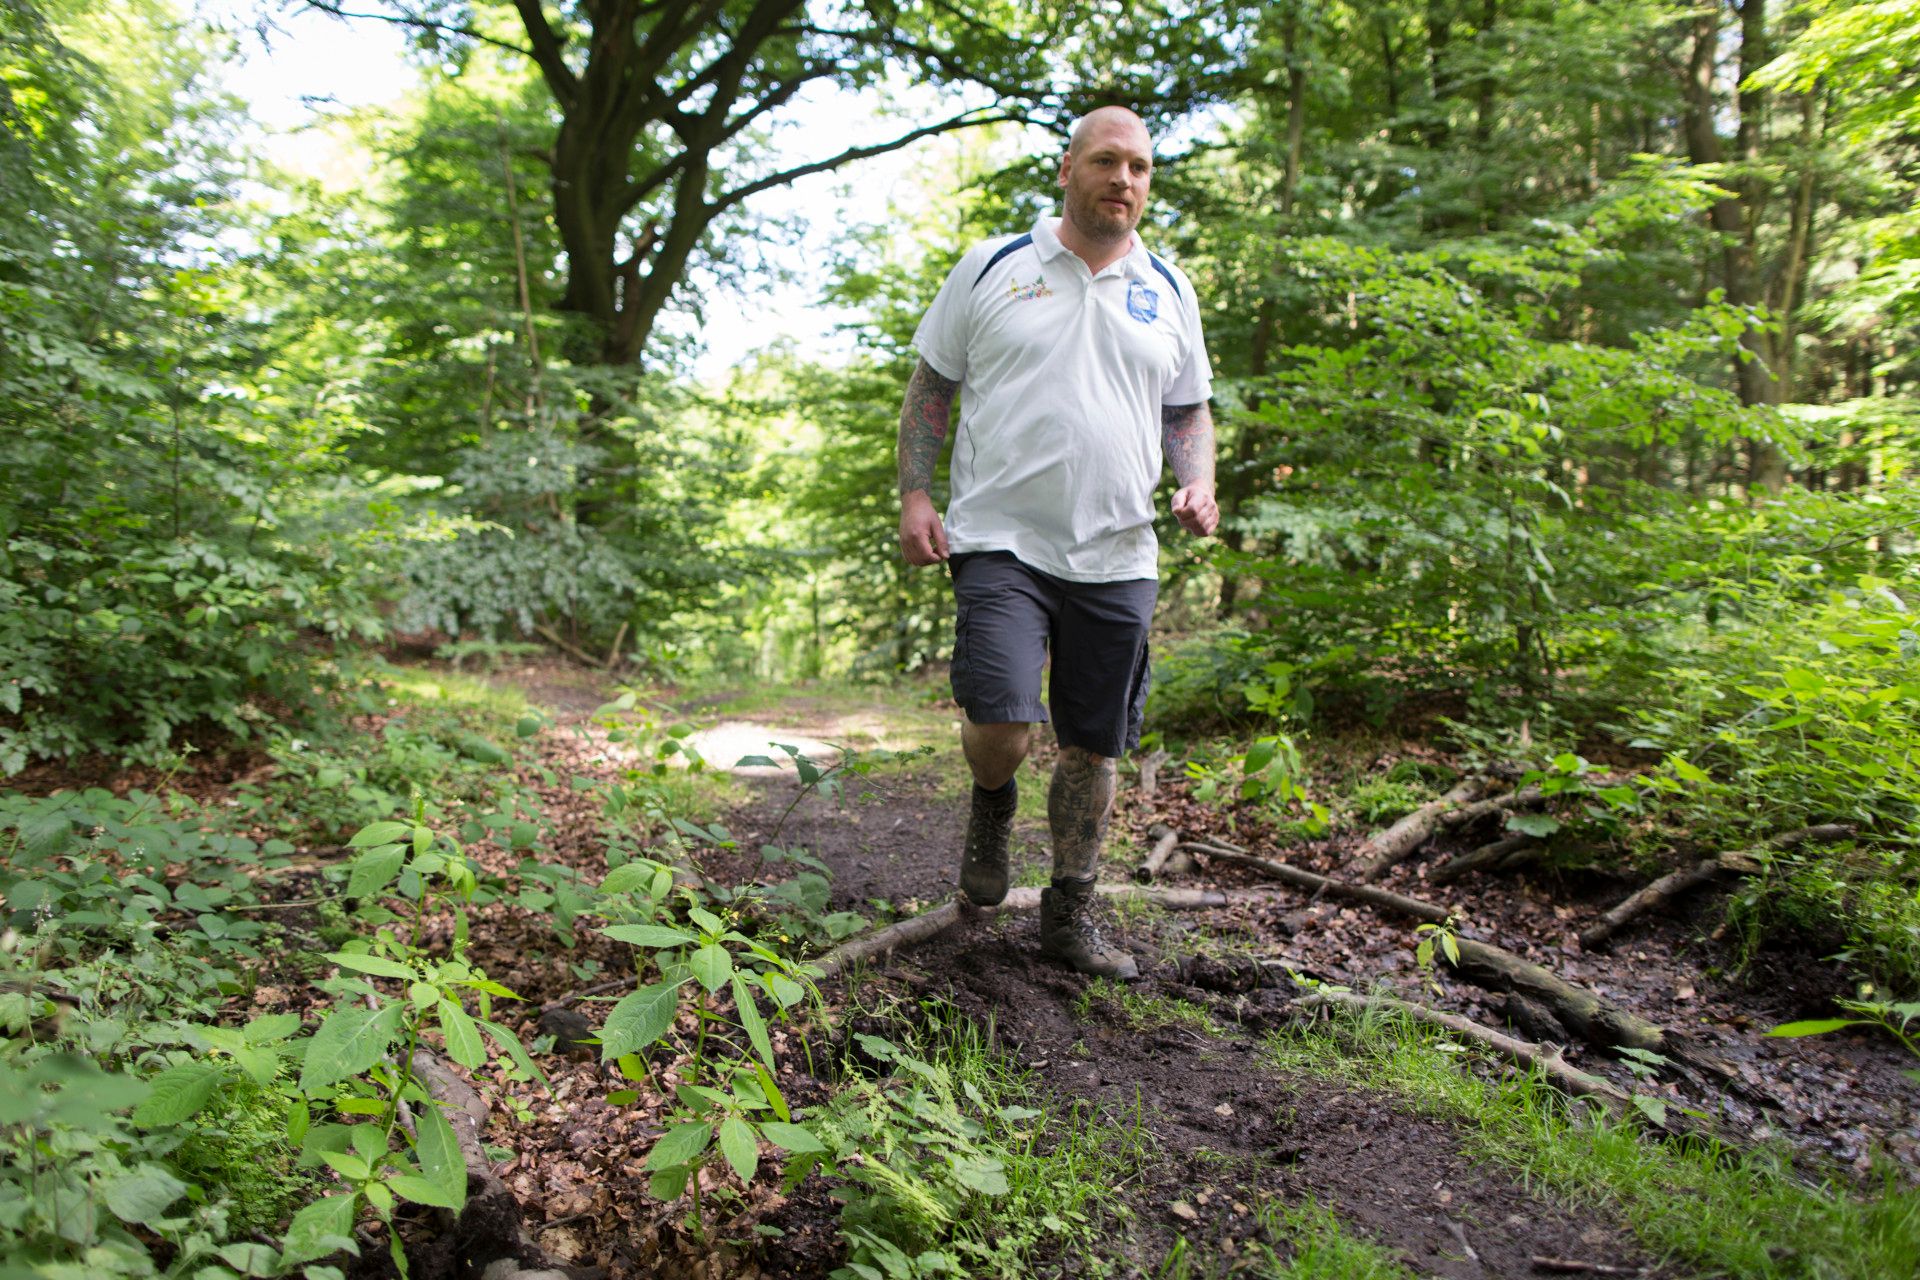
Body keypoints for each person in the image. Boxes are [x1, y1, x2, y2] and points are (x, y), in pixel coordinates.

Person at [895, 105, 1217, 980]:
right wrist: (917, 493)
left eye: (1141, 168)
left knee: (1093, 743)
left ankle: (1070, 912)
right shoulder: (993, 266)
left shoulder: (1170, 290)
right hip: (1001, 535)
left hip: (1120, 551)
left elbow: (1186, 409)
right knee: (1003, 716)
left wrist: (1200, 479)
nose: (1125, 180)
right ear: (1069, 167)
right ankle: (992, 800)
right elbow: (932, 385)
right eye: (1108, 161)